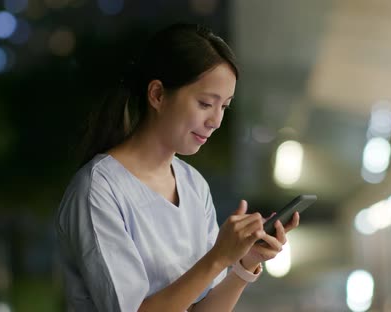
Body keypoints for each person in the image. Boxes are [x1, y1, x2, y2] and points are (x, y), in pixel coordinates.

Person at [55, 23, 300, 312]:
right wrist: (218, 257)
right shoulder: (98, 190)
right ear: (157, 94)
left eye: (224, 107)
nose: (216, 121)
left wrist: (247, 262)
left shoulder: (193, 185)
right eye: (206, 103)